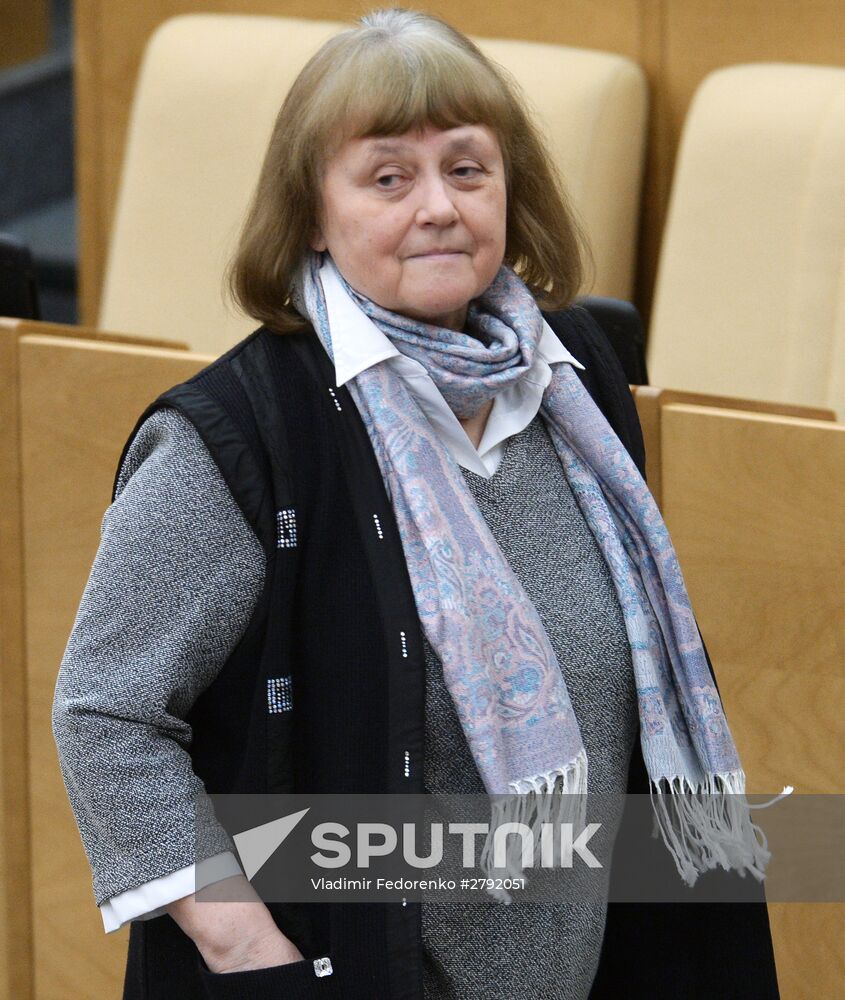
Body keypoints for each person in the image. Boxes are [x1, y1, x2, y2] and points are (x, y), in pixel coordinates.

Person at [53, 9, 780, 999]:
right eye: (388, 177)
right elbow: (106, 712)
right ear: (313, 212)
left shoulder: (575, 387)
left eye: (467, 169)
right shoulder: (240, 435)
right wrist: (243, 950)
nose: (437, 206)